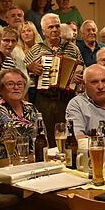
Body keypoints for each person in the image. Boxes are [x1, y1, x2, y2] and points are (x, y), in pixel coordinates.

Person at [24, 13, 83, 145]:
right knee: (47, 135)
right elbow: (23, 72)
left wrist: (78, 77)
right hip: (44, 98)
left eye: (57, 26)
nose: (55, 29)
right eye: (50, 27)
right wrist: (30, 68)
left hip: (66, 97)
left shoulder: (72, 48)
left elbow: (81, 69)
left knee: (68, 134)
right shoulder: (35, 49)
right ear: (43, 31)